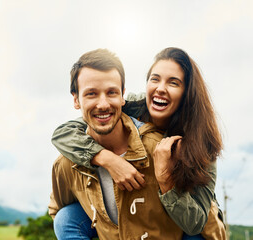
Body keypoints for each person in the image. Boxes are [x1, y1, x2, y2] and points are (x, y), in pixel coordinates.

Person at [49, 48, 225, 239]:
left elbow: (196, 222)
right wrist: (107, 158)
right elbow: (65, 132)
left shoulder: (200, 144)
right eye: (155, 79)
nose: (160, 88)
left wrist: (166, 180)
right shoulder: (129, 106)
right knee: (66, 217)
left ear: (187, 93)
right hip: (138, 212)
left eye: (173, 83)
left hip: (190, 221)